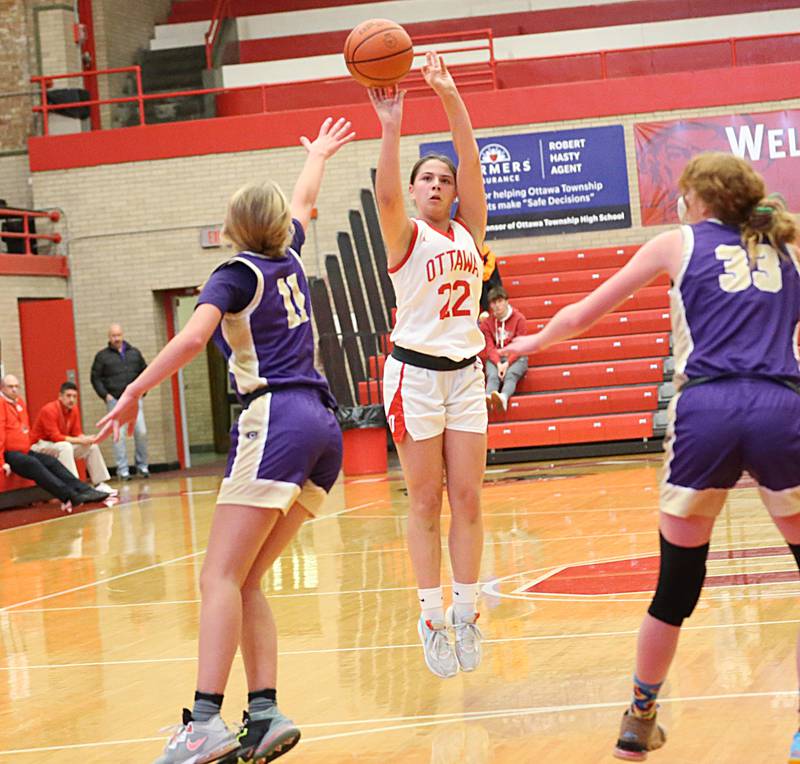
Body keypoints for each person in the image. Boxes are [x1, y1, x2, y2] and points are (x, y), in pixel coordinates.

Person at [504, 153, 800, 760]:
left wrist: (531, 341)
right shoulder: (789, 250)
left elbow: (586, 314)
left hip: (707, 412)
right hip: (781, 407)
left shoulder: (676, 243)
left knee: (676, 587)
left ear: (698, 199)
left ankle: (640, 718)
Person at [97, 115, 354, 764]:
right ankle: (263, 714)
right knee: (245, 580)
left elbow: (189, 339)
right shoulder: (289, 252)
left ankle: (204, 721)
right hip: (325, 427)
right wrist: (317, 155)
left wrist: (134, 391)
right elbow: (302, 201)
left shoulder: (234, 275)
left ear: (234, 227)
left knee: (216, 575)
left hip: (278, 420)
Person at [369, 51, 487, 679]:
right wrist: (391, 126)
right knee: (426, 501)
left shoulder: (470, 232)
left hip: (466, 372)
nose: (439, 184)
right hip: (414, 374)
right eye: (428, 179)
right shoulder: (405, 235)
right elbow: (384, 191)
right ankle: (429, 614)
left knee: (468, 497)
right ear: (415, 193)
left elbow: (471, 160)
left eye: (444, 179)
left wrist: (448, 93)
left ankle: (467, 613)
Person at [0, 374, 110, 510]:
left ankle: (85, 489)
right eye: (11, 387)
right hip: (10, 453)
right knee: (33, 463)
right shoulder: (2, 404)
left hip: (26, 449)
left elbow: (25, 429)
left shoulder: (20, 403)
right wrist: (2, 462)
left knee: (50, 461)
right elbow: (1, 434)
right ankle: (70, 495)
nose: (14, 390)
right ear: (2, 388)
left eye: (17, 386)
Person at [30, 381, 115, 494]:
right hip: (39, 446)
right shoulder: (49, 410)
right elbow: (55, 437)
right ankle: (74, 486)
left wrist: (89, 439)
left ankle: (100, 484)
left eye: (74, 396)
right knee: (65, 446)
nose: (72, 399)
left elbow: (77, 433)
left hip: (56, 445)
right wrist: (81, 440)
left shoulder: (74, 410)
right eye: (68, 396)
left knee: (92, 446)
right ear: (60, 396)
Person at [90, 323, 148, 479]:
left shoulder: (134, 353)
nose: (116, 338)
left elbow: (145, 372)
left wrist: (143, 391)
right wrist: (105, 395)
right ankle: (123, 470)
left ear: (123, 335)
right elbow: (95, 378)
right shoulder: (102, 356)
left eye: (118, 335)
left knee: (141, 432)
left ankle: (142, 466)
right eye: (113, 336)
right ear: (109, 337)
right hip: (115, 400)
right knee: (118, 436)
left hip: (134, 400)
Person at [479, 285, 528, 413]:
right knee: (492, 376)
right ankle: (489, 398)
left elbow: (520, 346)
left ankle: (503, 397)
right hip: (496, 356)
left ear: (507, 301)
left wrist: (506, 364)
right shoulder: (487, 323)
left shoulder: (519, 319)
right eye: (494, 302)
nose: (497, 306)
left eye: (500, 301)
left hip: (517, 356)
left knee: (511, 375)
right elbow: (490, 347)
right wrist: (498, 363)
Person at [479, 242, 502, 316]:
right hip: (483, 282)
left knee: (481, 285)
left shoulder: (489, 255)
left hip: (493, 283)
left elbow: (486, 275)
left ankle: (486, 311)